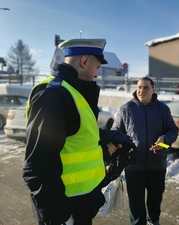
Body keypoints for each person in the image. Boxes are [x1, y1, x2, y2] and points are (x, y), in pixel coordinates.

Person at [22, 38, 135, 225]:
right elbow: (37, 165)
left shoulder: (72, 92)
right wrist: (59, 218)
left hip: (80, 205)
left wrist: (111, 138)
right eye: (97, 67)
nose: (97, 74)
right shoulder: (54, 95)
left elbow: (79, 136)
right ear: (84, 61)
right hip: (65, 211)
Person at [111, 76, 179, 225]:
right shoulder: (125, 109)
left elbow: (173, 130)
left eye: (146, 87)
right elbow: (115, 132)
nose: (142, 90)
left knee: (155, 200)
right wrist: (119, 143)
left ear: (153, 90)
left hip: (157, 164)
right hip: (133, 165)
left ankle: (154, 220)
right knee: (136, 204)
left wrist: (165, 141)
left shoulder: (163, 109)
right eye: (139, 87)